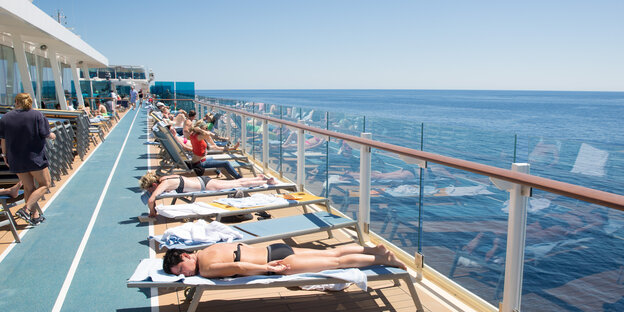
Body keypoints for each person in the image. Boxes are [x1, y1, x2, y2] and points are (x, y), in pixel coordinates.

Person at [163, 243, 406, 278]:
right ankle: (373, 249)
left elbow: (238, 266)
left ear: (185, 256)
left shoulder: (204, 269)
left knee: (336, 264)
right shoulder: (207, 249)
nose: (184, 274)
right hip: (275, 247)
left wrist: (266, 268)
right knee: (331, 253)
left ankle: (383, 259)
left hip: (276, 263)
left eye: (181, 269)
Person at [0, 93, 56, 225]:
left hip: (16, 158)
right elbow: (46, 134)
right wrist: (52, 135)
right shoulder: (36, 115)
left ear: (16, 102)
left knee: (29, 187)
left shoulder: (6, 118)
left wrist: (4, 155)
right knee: (45, 184)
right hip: (34, 157)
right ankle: (26, 209)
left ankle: (34, 216)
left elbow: (3, 140)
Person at [139, 172, 276, 217]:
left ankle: (265, 181)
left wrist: (152, 213)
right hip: (202, 180)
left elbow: (151, 200)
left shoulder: (163, 184)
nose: (150, 191)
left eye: (150, 189)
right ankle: (260, 178)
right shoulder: (165, 178)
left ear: (153, 185)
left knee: (236, 185)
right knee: (235, 182)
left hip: (205, 185)